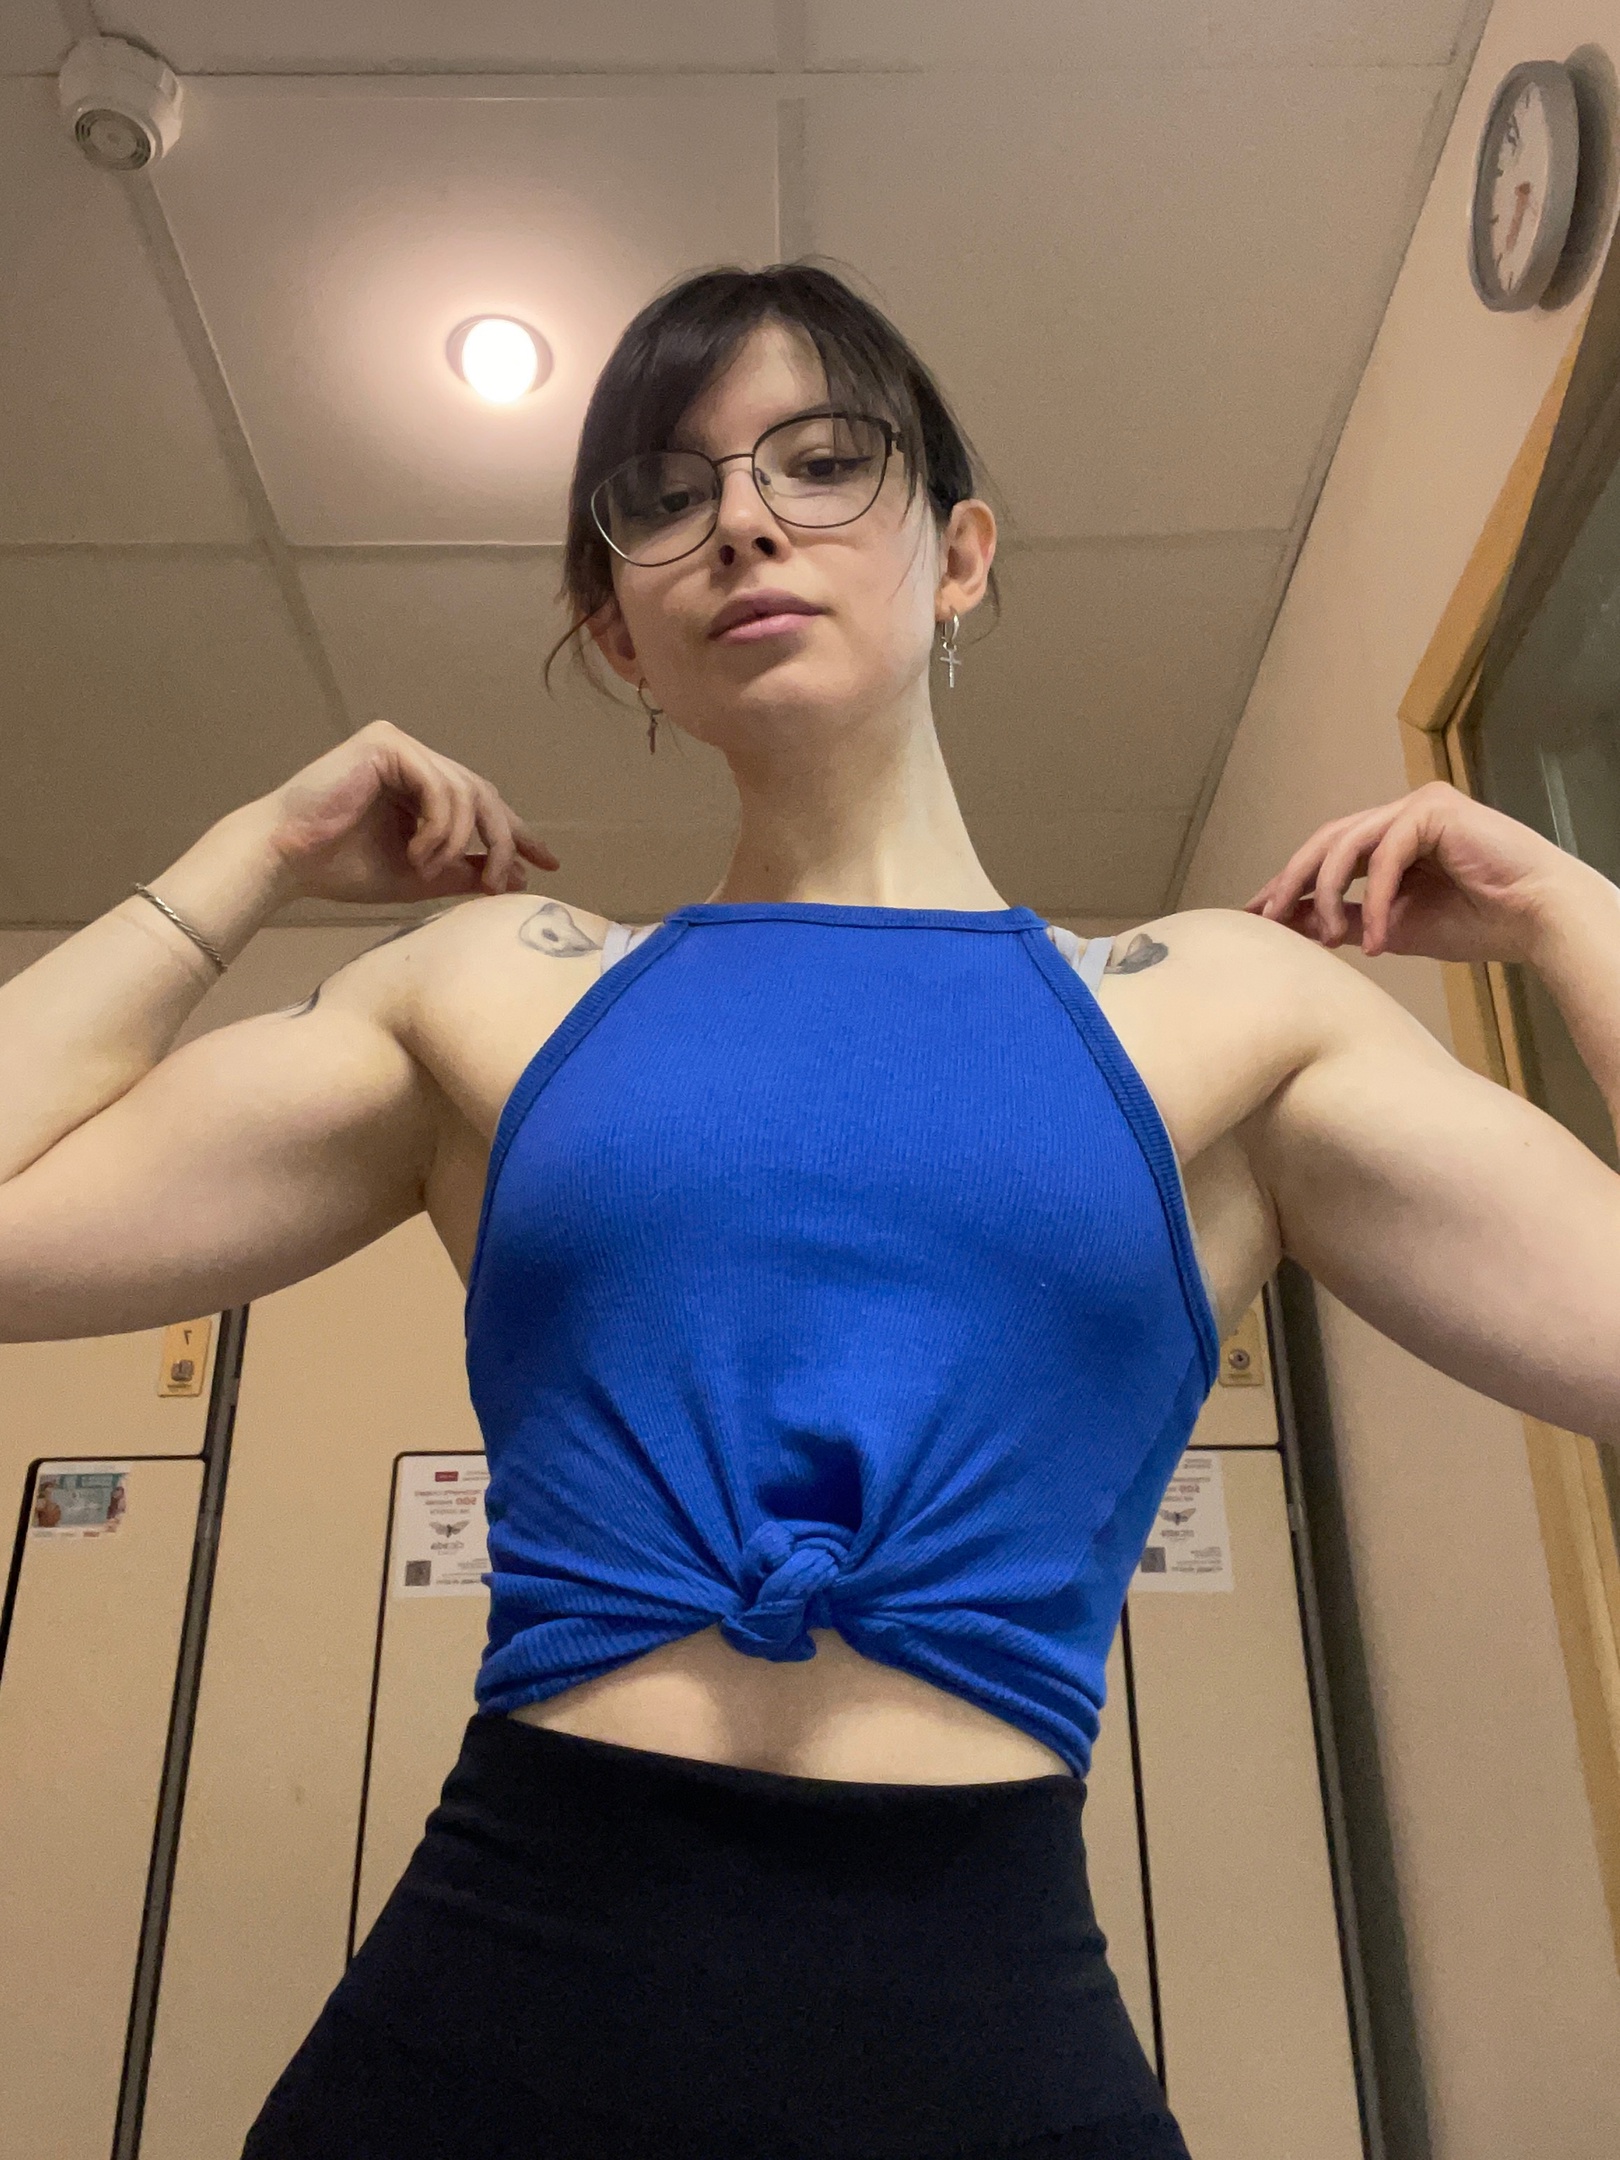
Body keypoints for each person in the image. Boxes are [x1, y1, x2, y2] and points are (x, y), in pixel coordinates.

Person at [1, 264, 1617, 2159]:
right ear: (617, 629)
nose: (744, 521)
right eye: (665, 493)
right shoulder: (491, 992)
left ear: (962, 555)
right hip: (488, 2013)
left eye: (825, 460)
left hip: (982, 2034)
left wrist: (1569, 910)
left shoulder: (1226, 1015)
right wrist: (245, 860)